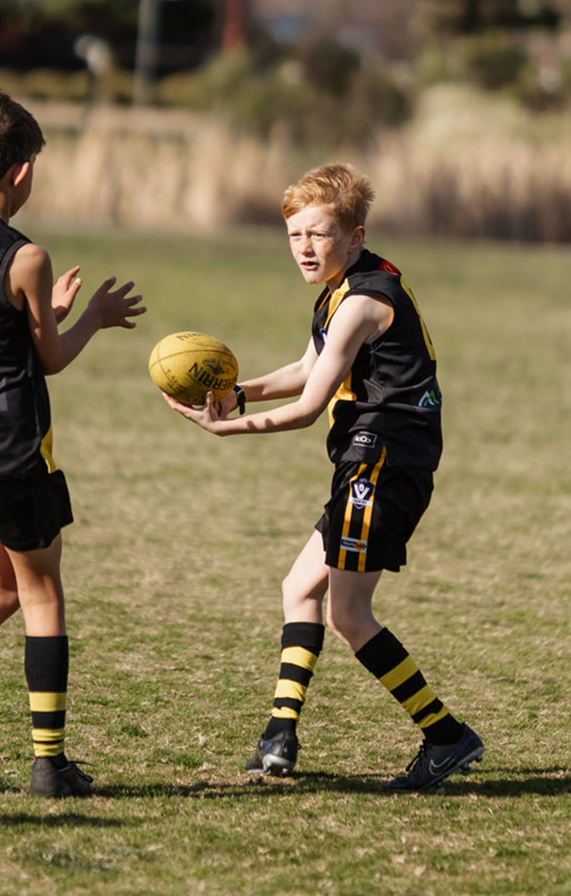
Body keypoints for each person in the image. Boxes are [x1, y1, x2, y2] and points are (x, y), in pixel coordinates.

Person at [164, 163, 484, 791]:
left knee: (350, 615)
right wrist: (237, 392)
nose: (304, 248)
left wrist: (228, 428)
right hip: (370, 463)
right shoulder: (342, 288)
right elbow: (309, 366)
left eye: (319, 234)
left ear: (355, 235)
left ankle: (446, 736)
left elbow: (310, 407)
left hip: (382, 467)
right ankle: (280, 734)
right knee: (299, 588)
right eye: (294, 235)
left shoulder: (362, 302)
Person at [0, 91, 146, 797]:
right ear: (21, 173)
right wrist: (90, 316)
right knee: (40, 592)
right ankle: (49, 764)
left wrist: (43, 314)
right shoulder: (26, 257)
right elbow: (49, 360)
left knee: (6, 587)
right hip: (15, 449)